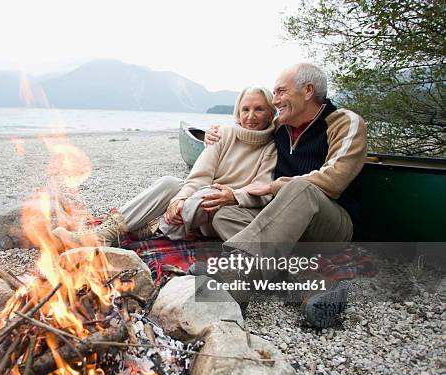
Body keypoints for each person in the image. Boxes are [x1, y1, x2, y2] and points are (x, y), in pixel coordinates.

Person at [203, 63, 367, 328]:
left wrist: (273, 186)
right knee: (225, 215)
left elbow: (334, 180)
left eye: (280, 92)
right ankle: (309, 282)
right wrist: (217, 133)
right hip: (285, 227)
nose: (275, 99)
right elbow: (247, 130)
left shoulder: (345, 122)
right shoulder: (279, 124)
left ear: (308, 91)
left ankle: (239, 271)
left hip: (330, 224)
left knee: (300, 188)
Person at [53, 86, 278, 247]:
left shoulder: (272, 147)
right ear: (238, 112)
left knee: (208, 194)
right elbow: (199, 176)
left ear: (271, 113)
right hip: (193, 206)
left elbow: (262, 189)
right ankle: (106, 232)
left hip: (225, 209)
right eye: (245, 109)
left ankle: (156, 229)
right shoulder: (222, 135)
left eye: (258, 109)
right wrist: (177, 200)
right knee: (171, 183)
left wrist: (234, 195)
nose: (251, 116)